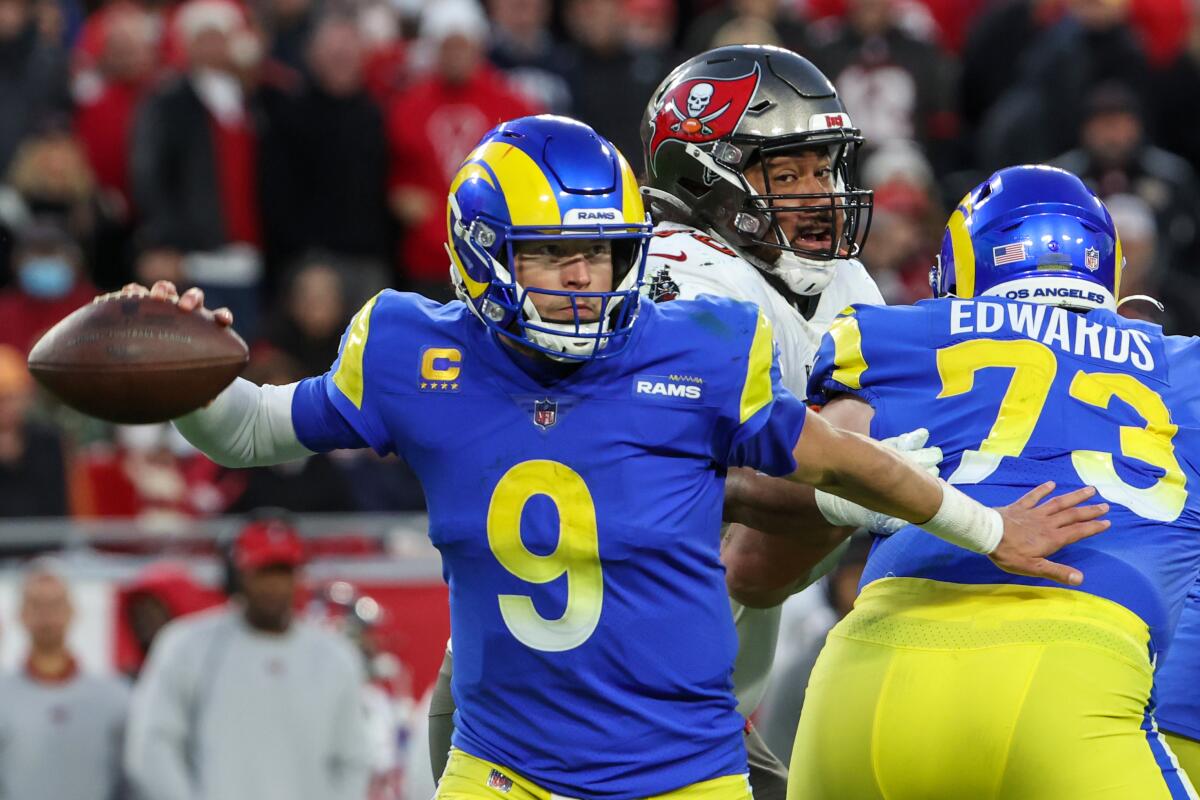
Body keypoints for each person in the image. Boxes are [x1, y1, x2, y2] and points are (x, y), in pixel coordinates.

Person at [137, 116, 1102, 800]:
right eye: (554, 255)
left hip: (684, 775)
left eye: (601, 254)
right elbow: (255, 429)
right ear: (480, 256)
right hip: (501, 769)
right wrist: (183, 382)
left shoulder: (701, 344)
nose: (582, 280)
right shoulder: (410, 353)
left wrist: (986, 528)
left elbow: (836, 462)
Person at [425, 44, 896, 799]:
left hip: (675, 712)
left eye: (823, 168)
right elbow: (734, 517)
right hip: (550, 710)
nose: (818, 194)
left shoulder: (840, 282)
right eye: (787, 173)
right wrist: (868, 490)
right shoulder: (677, 281)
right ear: (705, 174)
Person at [754, 165, 1200, 799]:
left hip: (860, 689)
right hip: (1068, 683)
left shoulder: (898, 335)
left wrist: (868, 498)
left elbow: (779, 499)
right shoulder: (1183, 369)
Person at [124, 516, 370, 800]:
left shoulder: (335, 656)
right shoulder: (186, 645)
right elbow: (152, 745)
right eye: (263, 573)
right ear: (236, 576)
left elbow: (353, 760)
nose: (274, 586)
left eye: (283, 572)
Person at [0, 561, 130, 800]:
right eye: (36, 605)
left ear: (73, 610)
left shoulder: (115, 697)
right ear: (20, 614)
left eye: (55, 604)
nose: (46, 615)